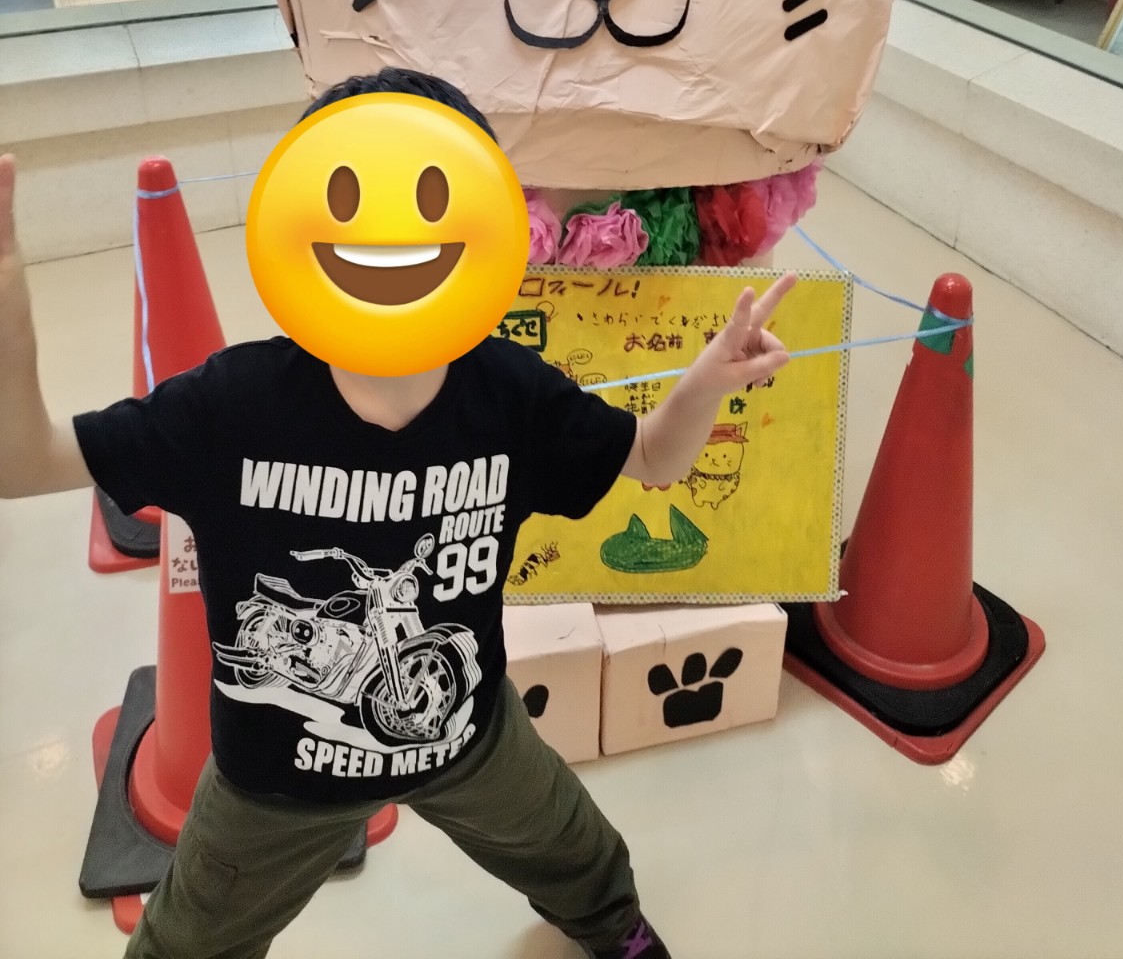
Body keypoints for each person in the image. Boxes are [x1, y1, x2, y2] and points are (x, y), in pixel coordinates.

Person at [0, 66, 797, 959]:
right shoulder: (229, 406)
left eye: (429, 198)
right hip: (273, 784)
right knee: (184, 944)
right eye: (351, 198)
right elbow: (22, 464)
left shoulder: (510, 393)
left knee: (578, 854)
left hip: (471, 738)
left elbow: (651, 458)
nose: (391, 236)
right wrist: (6, 295)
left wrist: (705, 383)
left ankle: (613, 927)